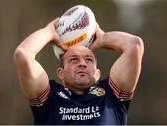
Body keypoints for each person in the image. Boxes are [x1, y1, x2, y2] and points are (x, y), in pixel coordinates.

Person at [14, 18, 144, 125]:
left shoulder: (112, 95)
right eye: (74, 60)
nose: (82, 63)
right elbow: (23, 55)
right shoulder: (49, 97)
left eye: (88, 59)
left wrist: (103, 38)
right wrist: (49, 32)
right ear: (61, 73)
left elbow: (134, 45)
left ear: (97, 73)